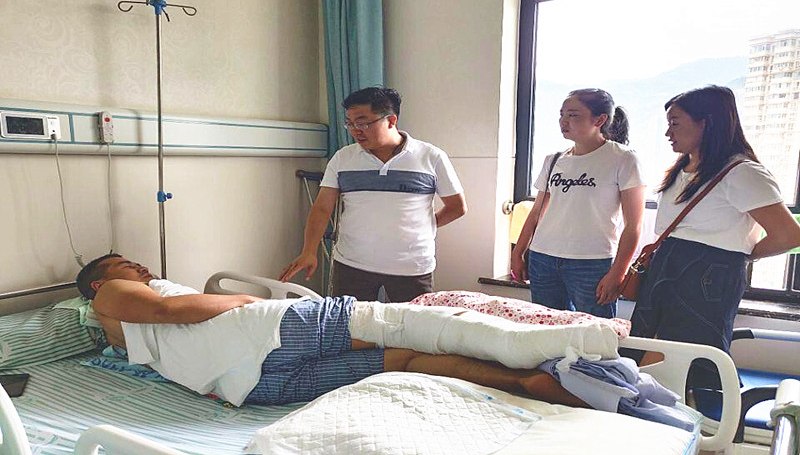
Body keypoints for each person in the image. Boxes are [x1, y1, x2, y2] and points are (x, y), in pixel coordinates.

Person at [77, 254, 589, 408]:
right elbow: (171, 312)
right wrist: (246, 300)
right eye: (124, 263)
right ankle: (561, 345)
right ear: (99, 281)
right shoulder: (108, 295)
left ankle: (522, 380)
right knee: (408, 325)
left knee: (407, 360)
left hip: (249, 386)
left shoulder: (124, 337)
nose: (138, 266)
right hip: (266, 332)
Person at [627, 85, 800, 389]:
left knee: (689, 354)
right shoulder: (686, 166)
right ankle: (655, 405)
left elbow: (788, 235)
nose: (668, 133)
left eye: (675, 123)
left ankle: (704, 411)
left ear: (706, 123)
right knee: (648, 342)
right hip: (670, 263)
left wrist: (740, 254)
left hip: (708, 273)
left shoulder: (742, 172)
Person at [279, 87, 467, 302]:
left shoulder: (430, 157)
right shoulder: (343, 158)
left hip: (411, 266)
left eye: (363, 123)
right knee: (350, 321)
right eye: (350, 123)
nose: (355, 131)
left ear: (391, 120)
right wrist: (309, 250)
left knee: (411, 323)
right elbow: (322, 208)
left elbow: (457, 207)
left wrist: (422, 226)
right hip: (352, 264)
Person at [510, 89, 646, 318]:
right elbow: (536, 213)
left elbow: (634, 225)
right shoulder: (554, 160)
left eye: (573, 115)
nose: (564, 121)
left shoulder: (623, 159)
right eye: (562, 114)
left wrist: (618, 272)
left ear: (599, 120)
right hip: (543, 258)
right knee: (547, 328)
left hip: (592, 262)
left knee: (594, 331)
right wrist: (519, 252)